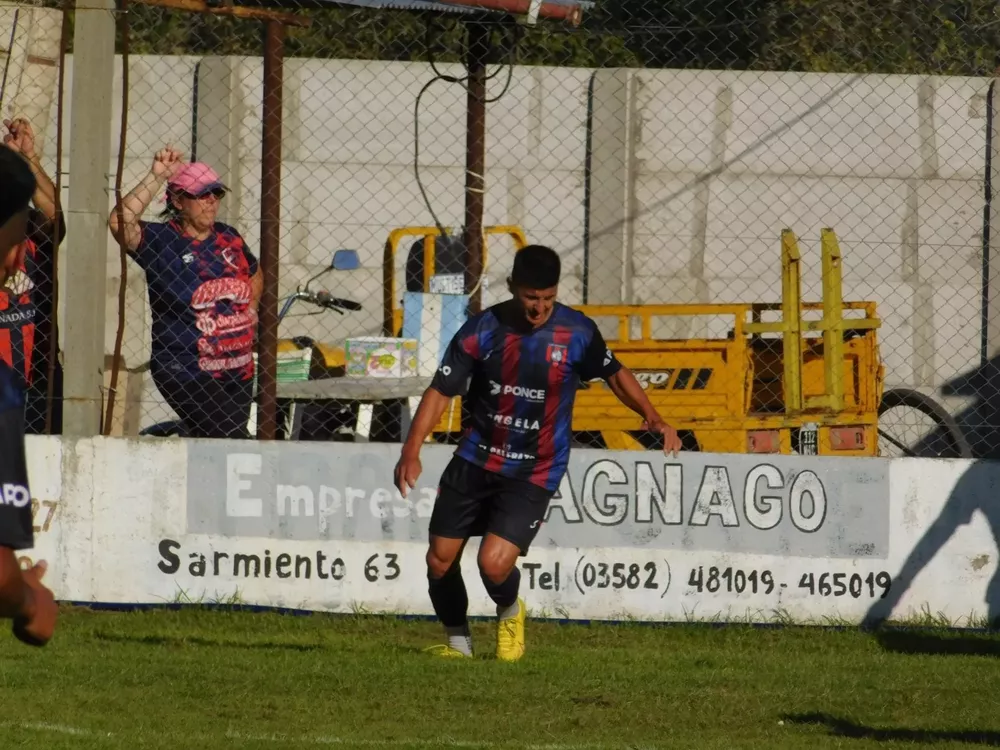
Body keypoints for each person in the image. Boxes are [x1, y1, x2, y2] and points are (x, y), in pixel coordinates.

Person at [394, 245, 682, 662]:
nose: (539, 307)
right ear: (512, 286)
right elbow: (441, 390)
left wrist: (653, 417)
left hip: (534, 469)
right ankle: (458, 645)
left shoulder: (576, 332)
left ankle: (510, 611)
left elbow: (615, 374)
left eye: (548, 298)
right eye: (531, 297)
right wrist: (412, 449)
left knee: (494, 564)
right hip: (475, 458)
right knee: (439, 561)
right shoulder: (482, 329)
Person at [108, 146, 262, 439]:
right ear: (178, 201)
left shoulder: (229, 237)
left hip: (237, 368)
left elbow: (254, 272)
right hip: (186, 368)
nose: (211, 201)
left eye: (216, 193)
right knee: (231, 439)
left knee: (220, 445)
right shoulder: (163, 241)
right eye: (201, 195)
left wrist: (251, 307)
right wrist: (157, 176)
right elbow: (119, 223)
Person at [0, 146, 58, 646]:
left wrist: (28, 161)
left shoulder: (40, 242)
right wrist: (31, 601)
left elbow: (54, 216)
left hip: (29, 381)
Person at [0, 118, 66, 435]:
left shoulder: (33, 231)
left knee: (44, 453)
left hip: (39, 371)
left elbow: (55, 214)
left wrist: (28, 159)